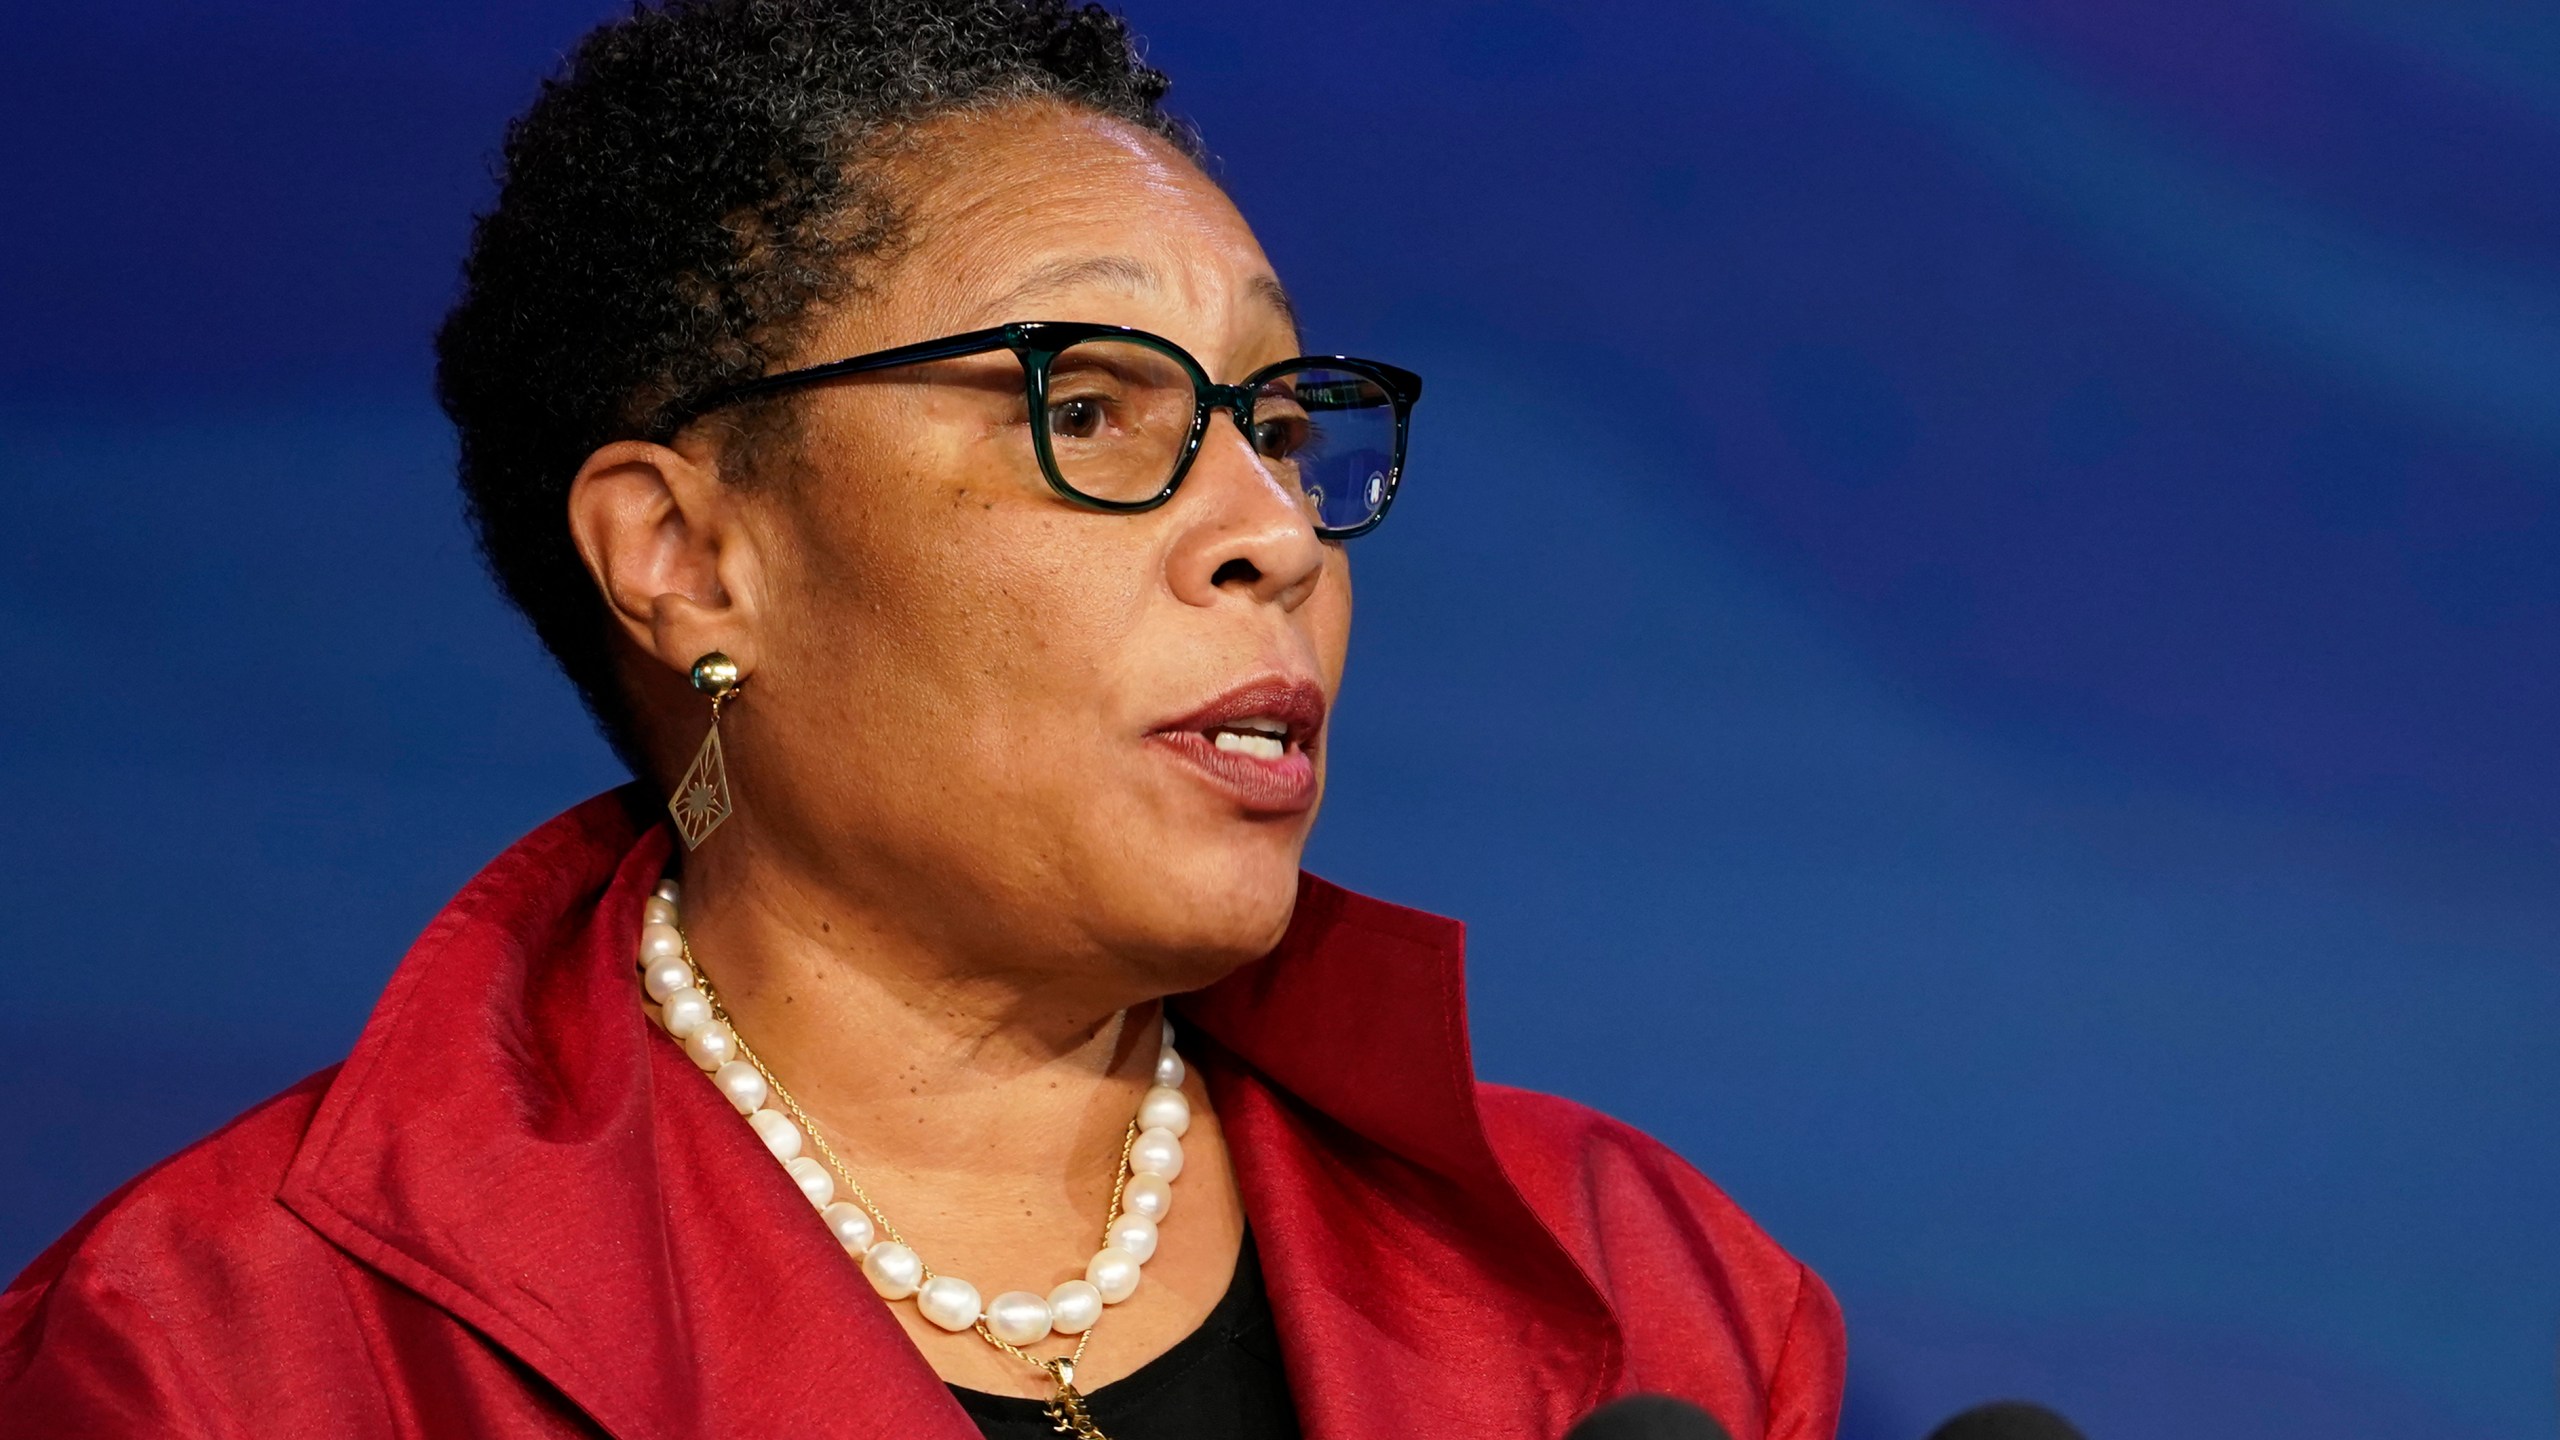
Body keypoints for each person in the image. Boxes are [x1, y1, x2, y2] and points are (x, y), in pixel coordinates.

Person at [0, 3, 1843, 1436]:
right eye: (1094, 409)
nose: (1274, 533)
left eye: (1280, 426)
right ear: (688, 554)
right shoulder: (232, 1353)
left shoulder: (1652, 1293)